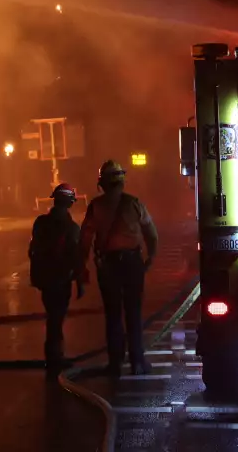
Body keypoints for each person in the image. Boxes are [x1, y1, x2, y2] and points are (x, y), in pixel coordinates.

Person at [79, 160, 158, 377]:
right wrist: (150, 256)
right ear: (122, 180)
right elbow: (151, 234)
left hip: (108, 265)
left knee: (113, 314)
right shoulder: (134, 204)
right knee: (133, 313)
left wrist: (81, 267)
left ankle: (115, 364)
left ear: (102, 183)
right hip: (133, 264)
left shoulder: (96, 207)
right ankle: (137, 361)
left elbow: (85, 240)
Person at [29, 183, 85, 378]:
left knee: (52, 316)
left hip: (45, 278)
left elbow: (32, 251)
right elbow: (75, 257)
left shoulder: (40, 223)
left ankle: (53, 356)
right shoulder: (71, 228)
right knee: (57, 318)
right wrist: (79, 282)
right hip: (61, 279)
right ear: (70, 202)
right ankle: (55, 358)